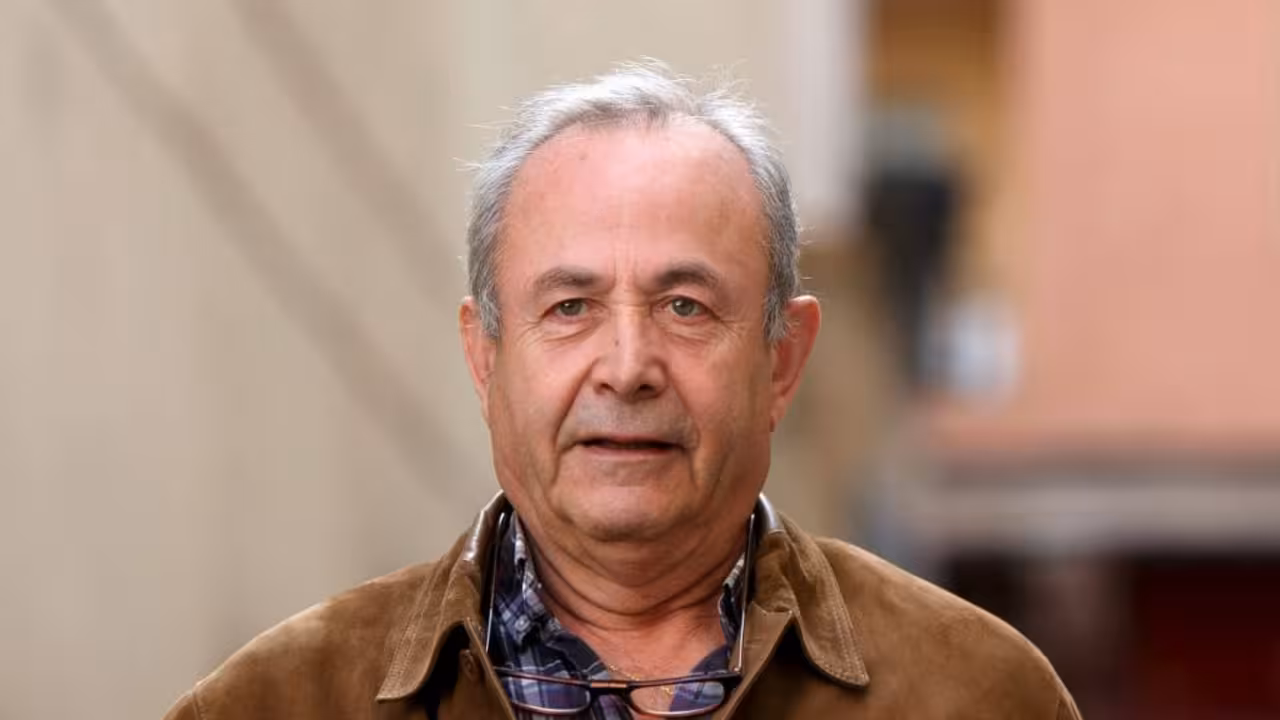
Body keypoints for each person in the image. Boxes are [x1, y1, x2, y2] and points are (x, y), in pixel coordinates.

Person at [163, 63, 1081, 720]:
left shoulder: (975, 694)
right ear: (485, 358)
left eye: (686, 307)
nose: (628, 365)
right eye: (570, 307)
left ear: (782, 361)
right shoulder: (277, 700)